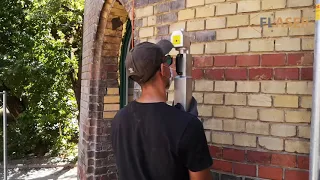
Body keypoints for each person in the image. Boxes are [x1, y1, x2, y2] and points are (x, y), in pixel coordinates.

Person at [111, 40, 213, 180]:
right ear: (163, 69)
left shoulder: (119, 119)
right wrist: (187, 126)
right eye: (168, 61)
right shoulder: (187, 125)